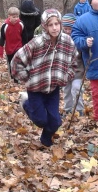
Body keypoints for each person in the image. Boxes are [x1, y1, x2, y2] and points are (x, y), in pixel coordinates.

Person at [11, 9, 78, 147]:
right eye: (50, 25)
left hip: (53, 88)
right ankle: (26, 104)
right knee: (41, 120)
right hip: (36, 88)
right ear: (44, 26)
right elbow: (16, 61)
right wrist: (27, 78)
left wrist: (66, 77)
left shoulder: (67, 42)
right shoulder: (37, 43)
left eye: (57, 24)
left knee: (56, 122)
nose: (54, 28)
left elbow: (74, 62)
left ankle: (45, 141)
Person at [60, 13, 85, 116]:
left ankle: (79, 109)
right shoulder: (59, 38)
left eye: (70, 29)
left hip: (78, 69)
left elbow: (84, 54)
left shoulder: (78, 39)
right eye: (65, 29)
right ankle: (68, 109)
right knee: (66, 90)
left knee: (77, 88)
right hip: (64, 70)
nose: (67, 31)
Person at [0, 6, 24, 81]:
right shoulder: (5, 26)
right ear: (9, 17)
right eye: (14, 17)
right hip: (9, 48)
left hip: (19, 47)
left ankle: (18, 77)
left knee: (18, 62)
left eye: (17, 17)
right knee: (10, 63)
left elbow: (24, 36)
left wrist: (25, 47)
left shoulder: (21, 24)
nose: (16, 19)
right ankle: (13, 77)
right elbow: (2, 38)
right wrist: (0, 50)